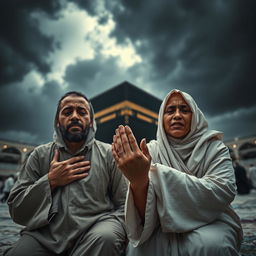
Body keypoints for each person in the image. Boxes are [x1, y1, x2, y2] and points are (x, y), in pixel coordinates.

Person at [112, 89, 243, 256]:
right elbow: (144, 212)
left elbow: (223, 189)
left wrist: (157, 174)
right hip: (159, 224)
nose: (177, 115)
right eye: (170, 110)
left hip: (210, 220)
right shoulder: (152, 151)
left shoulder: (214, 148)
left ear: (195, 116)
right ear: (161, 118)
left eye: (184, 110)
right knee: (139, 250)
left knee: (212, 247)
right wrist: (138, 182)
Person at [6, 91, 127, 256]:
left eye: (82, 112)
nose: (75, 116)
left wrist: (109, 226)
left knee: (107, 238)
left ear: (91, 121)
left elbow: (124, 205)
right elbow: (17, 209)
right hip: (45, 236)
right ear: (57, 121)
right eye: (68, 112)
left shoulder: (109, 155)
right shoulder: (40, 155)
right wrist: (50, 181)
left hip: (94, 232)